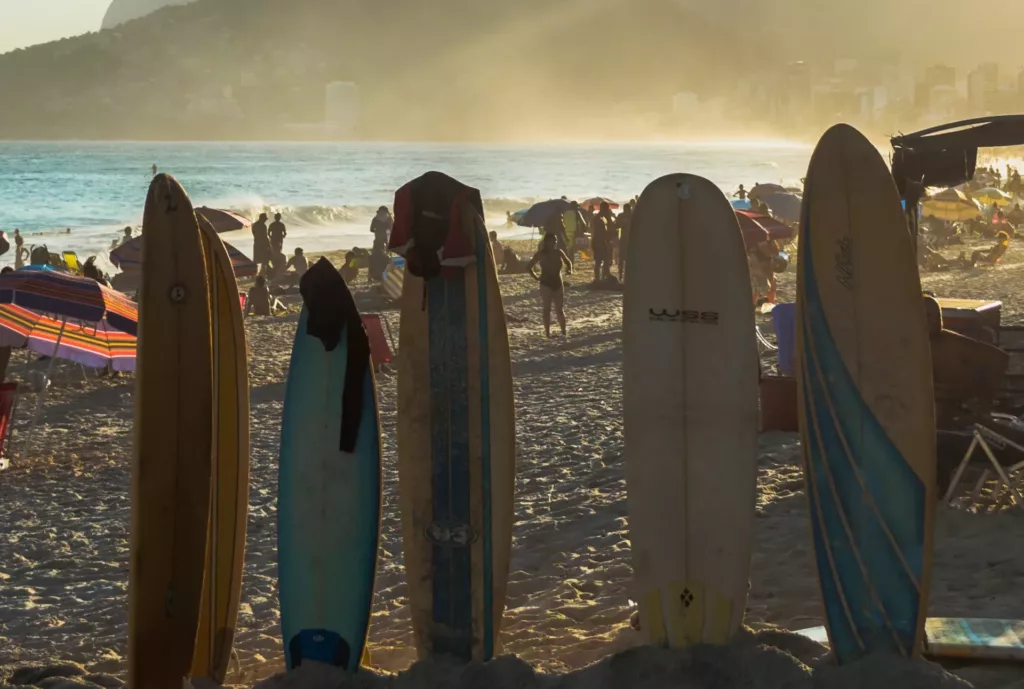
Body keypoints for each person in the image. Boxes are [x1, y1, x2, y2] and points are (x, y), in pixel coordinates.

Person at [527, 232, 573, 338]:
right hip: (546, 284)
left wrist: (569, 269)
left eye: (555, 241)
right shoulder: (541, 254)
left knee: (560, 310)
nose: (554, 243)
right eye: (552, 241)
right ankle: (547, 333)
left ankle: (564, 331)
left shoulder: (559, 252)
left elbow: (568, 262)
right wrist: (535, 277)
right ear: (546, 242)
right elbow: (529, 266)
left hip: (558, 282)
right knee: (546, 309)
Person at [590, 211, 611, 282]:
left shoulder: (599, 218)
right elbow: (601, 232)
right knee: (601, 260)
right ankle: (599, 278)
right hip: (599, 242)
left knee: (601, 260)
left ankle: (600, 278)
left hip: (597, 241)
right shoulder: (598, 219)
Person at [616, 201, 634, 280]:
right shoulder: (633, 216)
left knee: (622, 258)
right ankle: (622, 274)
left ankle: (621, 274)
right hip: (630, 239)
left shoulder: (623, 216)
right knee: (626, 258)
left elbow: (616, 226)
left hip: (625, 239)